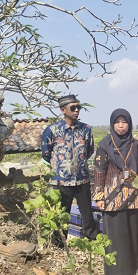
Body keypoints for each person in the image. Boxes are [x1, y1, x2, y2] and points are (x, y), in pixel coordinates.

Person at [41, 94, 98, 241]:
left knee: (87, 213)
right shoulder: (52, 130)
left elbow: (89, 150)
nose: (76, 110)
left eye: (78, 107)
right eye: (73, 108)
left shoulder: (86, 129)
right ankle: (59, 244)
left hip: (82, 179)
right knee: (62, 213)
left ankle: (91, 242)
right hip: (61, 181)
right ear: (63, 110)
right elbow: (46, 153)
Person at [93, 109, 138, 275]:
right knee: (115, 234)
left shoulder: (135, 144)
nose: (121, 126)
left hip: (132, 196)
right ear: (112, 124)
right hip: (112, 198)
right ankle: (117, 271)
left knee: (132, 232)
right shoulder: (105, 145)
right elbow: (99, 171)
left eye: (124, 122)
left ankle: (133, 267)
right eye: (117, 122)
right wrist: (98, 197)